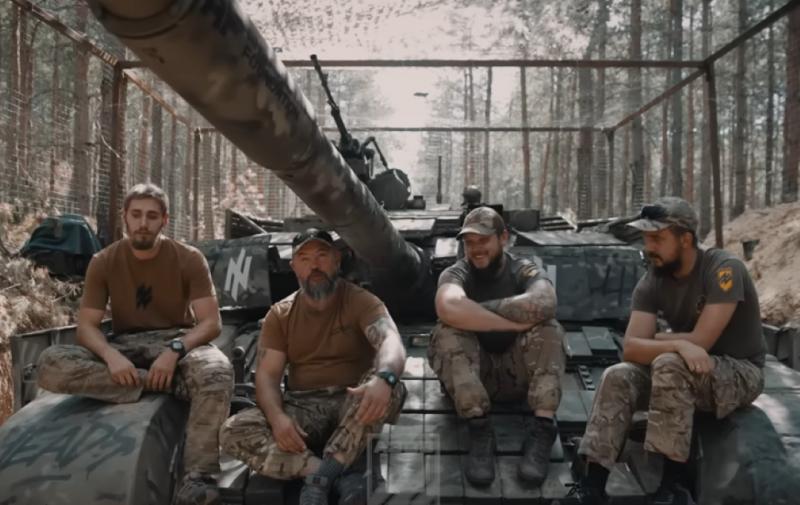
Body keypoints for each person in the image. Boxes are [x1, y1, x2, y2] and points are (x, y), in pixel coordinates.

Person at [36, 183, 233, 505]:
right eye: (136, 215)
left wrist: (175, 350)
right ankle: (158, 384)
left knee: (217, 372)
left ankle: (199, 476)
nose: (143, 223)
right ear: (125, 217)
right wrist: (110, 356)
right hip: (125, 343)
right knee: (50, 362)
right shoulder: (104, 260)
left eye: (152, 216)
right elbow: (86, 327)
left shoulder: (188, 258)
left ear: (164, 220)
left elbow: (211, 323)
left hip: (175, 341)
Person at [574, 197, 766, 505]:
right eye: (646, 238)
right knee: (618, 375)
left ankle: (672, 486)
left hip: (739, 371)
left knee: (668, 364)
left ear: (685, 239)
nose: (648, 246)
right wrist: (676, 342)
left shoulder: (723, 270)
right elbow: (631, 348)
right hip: (684, 365)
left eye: (657, 238)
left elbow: (701, 342)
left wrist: (664, 342)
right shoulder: (652, 279)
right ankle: (592, 483)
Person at [220, 228, 407, 505]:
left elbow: (390, 341)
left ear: (337, 261)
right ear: (294, 266)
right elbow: (268, 378)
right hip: (304, 407)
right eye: (305, 258)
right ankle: (329, 474)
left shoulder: (360, 301)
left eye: (322, 256)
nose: (314, 265)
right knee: (233, 430)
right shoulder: (281, 314)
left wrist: (385, 377)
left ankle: (322, 479)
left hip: (354, 403)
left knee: (391, 386)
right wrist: (278, 418)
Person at [429, 206, 565, 487]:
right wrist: (512, 323)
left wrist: (473, 312)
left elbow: (545, 302)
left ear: (503, 238)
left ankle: (542, 429)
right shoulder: (457, 273)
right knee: (445, 332)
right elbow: (447, 306)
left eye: (483, 240)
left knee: (549, 329)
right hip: (473, 380)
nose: (476, 248)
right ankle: (480, 430)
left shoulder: (522, 269)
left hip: (519, 379)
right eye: (470, 242)